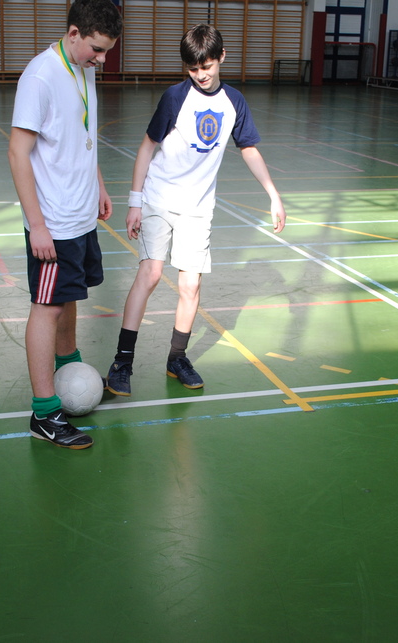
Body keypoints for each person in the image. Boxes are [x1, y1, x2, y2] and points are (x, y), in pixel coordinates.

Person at [105, 23, 286, 397]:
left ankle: (177, 358)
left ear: (221, 58)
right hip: (159, 197)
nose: (201, 75)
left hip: (199, 207)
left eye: (206, 66)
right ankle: (122, 362)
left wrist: (273, 195)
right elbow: (147, 147)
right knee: (150, 274)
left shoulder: (234, 102)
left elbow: (249, 148)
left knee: (191, 284)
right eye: (193, 69)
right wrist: (135, 202)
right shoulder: (175, 97)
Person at [8, 0, 122, 449]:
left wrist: (99, 185)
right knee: (47, 307)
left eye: (107, 50)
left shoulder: (83, 66)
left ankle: (69, 373)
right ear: (74, 33)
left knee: (69, 298)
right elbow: (18, 153)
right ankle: (44, 412)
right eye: (97, 49)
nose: (103, 59)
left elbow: (82, 135)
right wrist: (37, 225)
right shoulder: (40, 76)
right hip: (52, 221)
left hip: (80, 214)